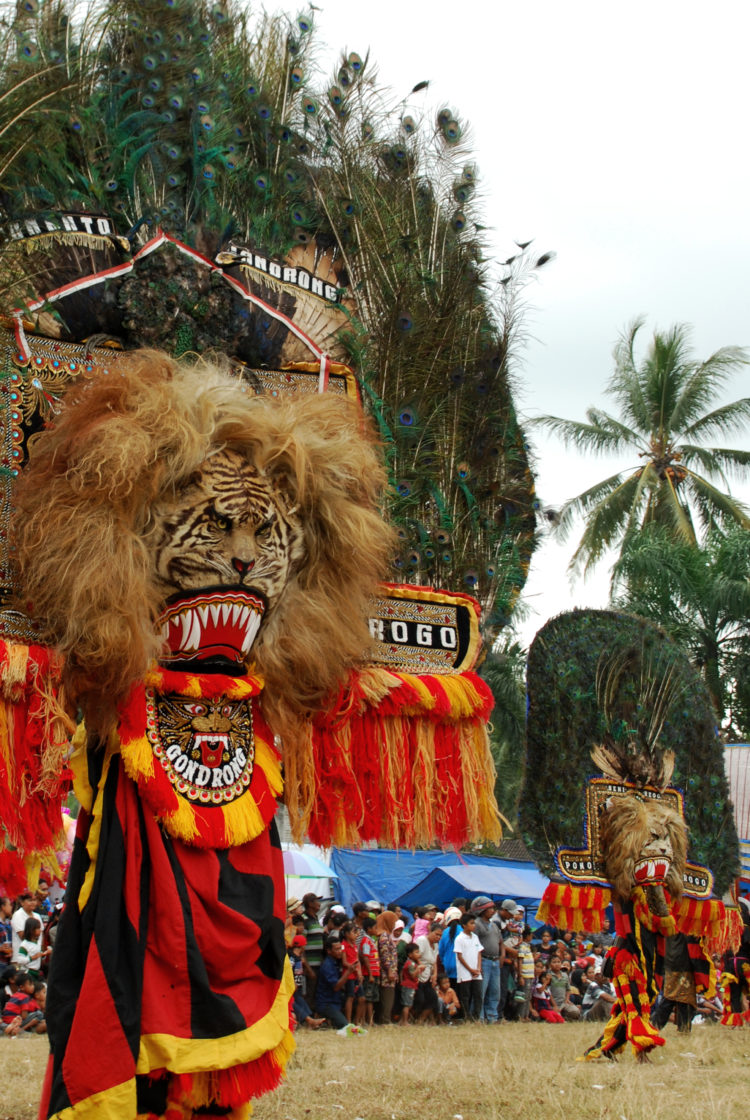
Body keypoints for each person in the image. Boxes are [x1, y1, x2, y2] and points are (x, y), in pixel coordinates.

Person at [470, 896, 502, 1023]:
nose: (492, 911)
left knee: (495, 991)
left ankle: (492, 1017)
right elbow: (474, 945)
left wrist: (501, 955)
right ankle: (479, 1017)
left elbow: (500, 942)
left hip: (495, 961)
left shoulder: (494, 925)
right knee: (481, 991)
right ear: (482, 910)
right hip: (484, 960)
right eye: (489, 909)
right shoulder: (477, 924)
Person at [315, 937, 358, 1029]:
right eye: (337, 949)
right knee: (344, 1025)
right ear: (329, 951)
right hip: (326, 1003)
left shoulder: (336, 962)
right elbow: (336, 987)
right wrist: (348, 972)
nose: (340, 952)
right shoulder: (327, 965)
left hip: (335, 1000)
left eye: (340, 948)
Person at [288, 935, 324, 1030]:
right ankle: (309, 1021)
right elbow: (298, 979)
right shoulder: (298, 961)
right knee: (294, 1002)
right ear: (303, 946)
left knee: (300, 1000)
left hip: (286, 985)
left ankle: (310, 1020)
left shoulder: (288, 955)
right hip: (291, 988)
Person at [454, 912, 483, 1021]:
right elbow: (460, 956)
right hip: (465, 972)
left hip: (476, 971)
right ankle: (466, 1017)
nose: (474, 925)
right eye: (471, 923)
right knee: (466, 996)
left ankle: (476, 1017)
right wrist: (470, 969)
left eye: (474, 923)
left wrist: (478, 968)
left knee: (478, 995)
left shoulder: (475, 937)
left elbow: (479, 952)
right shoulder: (460, 938)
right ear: (464, 925)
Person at [374, 910, 399, 1025]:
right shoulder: (384, 936)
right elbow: (385, 955)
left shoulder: (386, 935)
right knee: (387, 996)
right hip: (386, 973)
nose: (394, 925)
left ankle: (386, 1018)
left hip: (390, 971)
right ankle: (385, 1020)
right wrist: (389, 970)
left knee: (389, 996)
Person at [2, 971, 45, 1035]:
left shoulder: (15, 994)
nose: (33, 987)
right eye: (30, 984)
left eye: (33, 984)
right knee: (39, 1014)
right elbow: (24, 1016)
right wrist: (33, 1020)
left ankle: (12, 1029)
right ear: (22, 987)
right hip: (14, 1021)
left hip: (6, 1021)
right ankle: (21, 1030)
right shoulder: (24, 997)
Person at [414, 922, 441, 1024]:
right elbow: (416, 956)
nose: (438, 937)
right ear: (430, 931)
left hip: (428, 976)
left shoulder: (435, 945)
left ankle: (421, 1020)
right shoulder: (422, 940)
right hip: (419, 975)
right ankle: (414, 1018)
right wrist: (421, 966)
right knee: (420, 999)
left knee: (433, 999)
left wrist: (434, 975)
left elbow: (434, 962)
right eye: (436, 934)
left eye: (440, 936)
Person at [357, 916, 381, 1026]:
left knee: (372, 998)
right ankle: (368, 1020)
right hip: (369, 973)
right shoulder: (366, 941)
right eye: (375, 927)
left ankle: (369, 1020)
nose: (377, 930)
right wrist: (370, 974)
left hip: (375, 973)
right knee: (368, 998)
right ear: (369, 929)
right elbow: (365, 957)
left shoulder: (371, 940)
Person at [548, 954, 580, 1019]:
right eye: (554, 962)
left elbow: (568, 989)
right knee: (556, 1017)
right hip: (552, 1003)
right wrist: (554, 1005)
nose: (557, 964)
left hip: (563, 1002)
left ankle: (564, 1015)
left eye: (558, 962)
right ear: (549, 965)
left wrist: (567, 999)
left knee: (576, 1012)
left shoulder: (565, 975)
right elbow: (548, 992)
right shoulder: (549, 975)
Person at [10, 893, 38, 964]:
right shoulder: (18, 915)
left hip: (35, 960)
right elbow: (23, 936)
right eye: (30, 900)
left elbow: (41, 938)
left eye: (34, 900)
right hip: (20, 960)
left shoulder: (37, 916)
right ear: (22, 902)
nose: (33, 902)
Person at [516, 925, 536, 1022]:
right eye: (531, 935)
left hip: (530, 975)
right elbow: (520, 961)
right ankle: (521, 1016)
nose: (532, 936)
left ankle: (526, 1015)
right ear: (527, 936)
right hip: (525, 975)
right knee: (523, 996)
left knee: (528, 996)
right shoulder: (522, 946)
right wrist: (520, 976)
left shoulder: (528, 947)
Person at [399, 943, 421, 1025]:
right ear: (410, 954)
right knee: (407, 1005)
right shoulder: (410, 964)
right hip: (408, 986)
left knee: (409, 1004)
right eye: (416, 952)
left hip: (411, 985)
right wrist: (418, 968)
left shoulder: (413, 963)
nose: (419, 954)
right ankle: (405, 1021)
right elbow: (413, 975)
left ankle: (402, 1021)